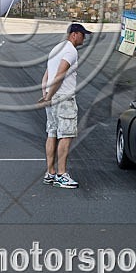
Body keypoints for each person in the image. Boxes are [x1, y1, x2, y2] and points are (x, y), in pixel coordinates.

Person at [38, 23, 93, 189]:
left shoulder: (56, 48)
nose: (84, 38)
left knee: (52, 133)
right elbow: (60, 74)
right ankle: (61, 175)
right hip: (63, 98)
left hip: (51, 97)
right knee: (66, 135)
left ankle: (50, 172)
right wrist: (51, 94)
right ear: (74, 34)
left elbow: (46, 75)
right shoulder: (70, 51)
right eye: (83, 35)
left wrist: (46, 94)